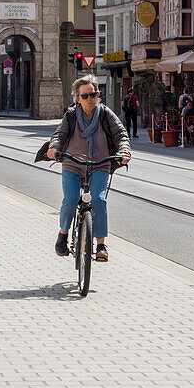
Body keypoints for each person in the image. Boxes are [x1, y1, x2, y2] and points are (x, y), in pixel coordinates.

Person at [48, 75, 131, 262]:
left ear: (98, 95)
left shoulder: (105, 113)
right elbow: (60, 134)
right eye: (84, 96)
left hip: (100, 163)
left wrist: (124, 151)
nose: (89, 99)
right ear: (77, 98)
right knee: (70, 199)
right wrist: (54, 148)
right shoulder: (70, 116)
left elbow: (120, 134)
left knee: (99, 200)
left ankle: (101, 244)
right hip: (73, 163)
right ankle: (63, 234)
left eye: (93, 95)